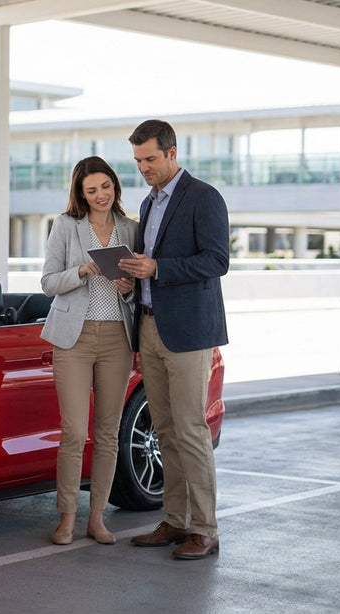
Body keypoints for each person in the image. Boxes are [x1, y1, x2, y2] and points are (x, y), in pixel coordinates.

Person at [118, 119, 229, 560]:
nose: (143, 167)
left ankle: (205, 529)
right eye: (138, 161)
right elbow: (147, 263)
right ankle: (175, 520)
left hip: (187, 332)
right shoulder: (147, 204)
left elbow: (217, 260)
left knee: (190, 429)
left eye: (150, 159)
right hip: (148, 325)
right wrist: (132, 279)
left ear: (171, 153)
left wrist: (158, 269)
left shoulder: (204, 197)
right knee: (164, 429)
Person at [40, 156, 138, 546]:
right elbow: (48, 282)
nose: (100, 195)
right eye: (91, 189)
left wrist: (130, 288)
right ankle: (67, 518)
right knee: (74, 433)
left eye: (106, 187)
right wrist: (81, 271)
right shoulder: (66, 226)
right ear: (81, 193)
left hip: (117, 336)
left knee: (108, 433)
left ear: (115, 186)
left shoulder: (131, 227)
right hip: (73, 339)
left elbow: (139, 284)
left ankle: (97, 519)